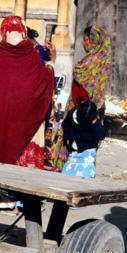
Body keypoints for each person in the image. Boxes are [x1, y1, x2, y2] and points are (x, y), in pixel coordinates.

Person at [0, 15, 54, 167]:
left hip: (1, 116)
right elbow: (42, 86)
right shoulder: (33, 56)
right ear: (24, 33)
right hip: (27, 120)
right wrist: (52, 64)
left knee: (0, 158)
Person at [50, 25, 111, 171]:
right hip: (93, 114)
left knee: (72, 148)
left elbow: (80, 84)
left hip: (79, 113)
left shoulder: (86, 64)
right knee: (90, 150)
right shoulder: (103, 62)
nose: (84, 44)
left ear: (94, 41)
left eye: (86, 40)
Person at [60, 100, 105, 178]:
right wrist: (66, 137)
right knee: (72, 172)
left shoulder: (92, 121)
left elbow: (101, 135)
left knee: (83, 174)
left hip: (87, 152)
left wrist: (95, 123)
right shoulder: (72, 115)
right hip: (74, 150)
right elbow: (65, 124)